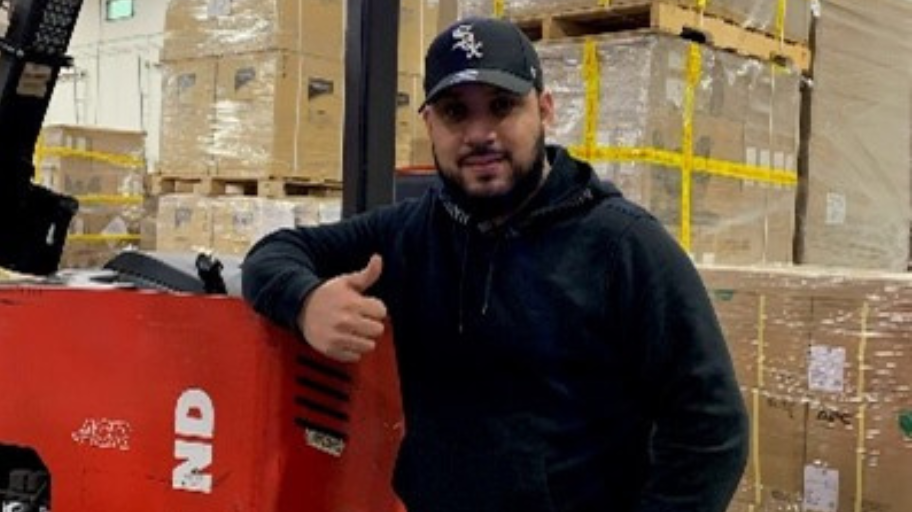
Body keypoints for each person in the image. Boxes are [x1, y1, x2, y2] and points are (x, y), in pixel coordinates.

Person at [242, 16, 748, 512]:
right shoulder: (408, 235)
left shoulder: (623, 246)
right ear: (429, 125)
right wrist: (306, 302)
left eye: (502, 106)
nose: (480, 133)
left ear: (545, 110)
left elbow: (712, 427)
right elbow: (273, 253)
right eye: (456, 113)